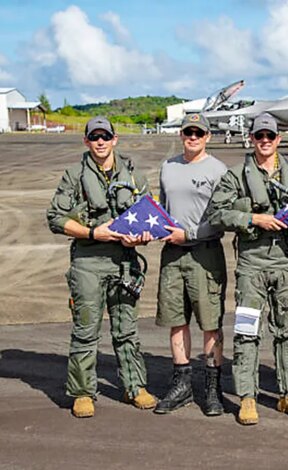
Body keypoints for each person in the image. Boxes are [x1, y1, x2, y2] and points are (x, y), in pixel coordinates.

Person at [46, 116, 156, 418]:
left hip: (124, 262)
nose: (100, 142)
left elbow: (149, 217)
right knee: (85, 329)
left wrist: (141, 239)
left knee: (127, 330)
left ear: (115, 139)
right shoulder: (74, 176)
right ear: (86, 141)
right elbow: (55, 218)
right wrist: (93, 232)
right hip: (88, 262)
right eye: (94, 137)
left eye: (105, 136)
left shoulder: (133, 175)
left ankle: (135, 386)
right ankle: (83, 392)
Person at [206, 113, 288, 425]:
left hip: (286, 262)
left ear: (278, 139)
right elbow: (216, 213)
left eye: (270, 136)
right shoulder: (235, 175)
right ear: (251, 139)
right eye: (259, 136)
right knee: (248, 330)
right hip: (252, 262)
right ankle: (248, 397)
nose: (264, 141)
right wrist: (254, 219)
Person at [153, 113, 228, 416]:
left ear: (208, 136)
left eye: (199, 132)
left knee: (210, 323)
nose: (193, 137)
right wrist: (157, 229)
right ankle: (181, 383)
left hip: (204, 253)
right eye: (188, 132)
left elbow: (222, 219)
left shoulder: (218, 170)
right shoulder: (168, 167)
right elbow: (162, 209)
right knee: (176, 319)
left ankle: (212, 388)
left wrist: (190, 233)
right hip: (172, 254)